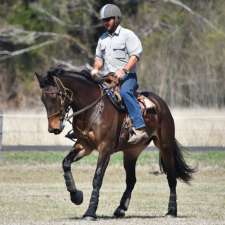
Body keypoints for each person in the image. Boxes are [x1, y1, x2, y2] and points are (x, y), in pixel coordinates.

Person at [91, 3, 148, 144]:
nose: (105, 23)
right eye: (103, 20)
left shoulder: (127, 35)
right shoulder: (102, 39)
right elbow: (99, 59)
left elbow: (135, 55)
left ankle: (140, 128)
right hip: (109, 78)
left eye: (108, 19)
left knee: (125, 93)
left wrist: (124, 70)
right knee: (92, 93)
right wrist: (96, 69)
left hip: (128, 77)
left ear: (116, 19)